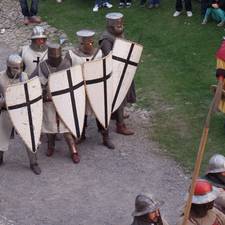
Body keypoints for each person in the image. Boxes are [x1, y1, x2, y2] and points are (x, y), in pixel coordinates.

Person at [65, 29, 115, 149]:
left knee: (101, 112)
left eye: (91, 43)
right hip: (80, 89)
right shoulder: (71, 54)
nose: (89, 46)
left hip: (96, 89)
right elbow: (65, 72)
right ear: (80, 43)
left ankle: (105, 136)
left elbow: (105, 69)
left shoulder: (99, 53)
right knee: (81, 112)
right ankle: (81, 135)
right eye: (86, 43)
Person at [32, 43, 80, 163]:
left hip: (63, 101)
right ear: (48, 55)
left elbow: (73, 82)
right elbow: (33, 80)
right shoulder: (42, 66)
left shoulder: (66, 65)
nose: (55, 59)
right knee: (50, 127)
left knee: (67, 129)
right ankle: (50, 146)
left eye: (56, 57)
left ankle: (74, 150)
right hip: (47, 101)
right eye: (52, 57)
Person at [0, 54, 41, 175]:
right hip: (6, 112)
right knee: (1, 137)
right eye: (16, 68)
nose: (19, 70)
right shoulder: (0, 78)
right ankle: (0, 158)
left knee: (29, 137)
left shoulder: (24, 76)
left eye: (21, 67)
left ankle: (34, 163)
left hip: (22, 112)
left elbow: (30, 93)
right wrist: (3, 102)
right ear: (9, 67)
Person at [99, 12, 135, 135]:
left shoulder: (118, 34)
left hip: (123, 70)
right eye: (118, 25)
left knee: (123, 96)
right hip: (113, 74)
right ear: (110, 26)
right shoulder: (106, 40)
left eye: (121, 25)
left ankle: (116, 115)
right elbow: (109, 58)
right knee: (118, 98)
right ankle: (120, 125)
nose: (120, 27)